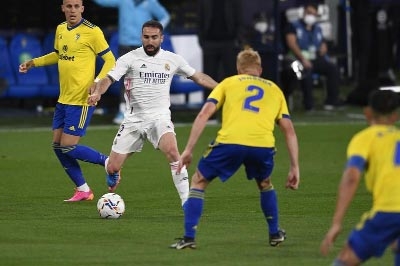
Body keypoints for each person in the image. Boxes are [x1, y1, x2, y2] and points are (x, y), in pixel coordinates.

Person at [169, 48, 300, 250]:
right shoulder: (275, 89)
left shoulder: (229, 83)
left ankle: (189, 237)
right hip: (262, 146)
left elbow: (205, 114)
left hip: (230, 142)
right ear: (260, 69)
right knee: (265, 183)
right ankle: (275, 233)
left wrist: (188, 149)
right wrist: (294, 166)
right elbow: (289, 130)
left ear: (239, 69)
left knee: (199, 181)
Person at [88, 20, 218, 207]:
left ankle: (187, 202)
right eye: (146, 37)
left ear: (161, 38)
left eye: (154, 37)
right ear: (141, 37)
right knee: (112, 166)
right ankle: (113, 171)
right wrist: (97, 93)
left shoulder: (172, 59)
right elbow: (109, 79)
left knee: (174, 152)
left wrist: (223, 88)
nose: (150, 41)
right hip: (133, 120)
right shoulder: (129, 58)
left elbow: (199, 77)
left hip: (159, 118)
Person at [19, 0, 118, 202]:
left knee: (68, 146)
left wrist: (97, 82)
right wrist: (33, 63)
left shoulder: (93, 31)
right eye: (68, 6)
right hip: (63, 98)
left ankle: (109, 162)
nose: (72, 10)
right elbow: (58, 54)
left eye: (76, 6)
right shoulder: (61, 29)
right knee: (57, 145)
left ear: (82, 8)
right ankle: (83, 190)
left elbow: (110, 60)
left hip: (82, 100)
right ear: (63, 8)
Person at [320, 89, 400, 265]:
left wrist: (336, 223)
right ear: (395, 116)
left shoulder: (365, 138)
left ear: (367, 112)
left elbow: (351, 177)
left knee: (346, 259)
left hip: (390, 211)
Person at [92, 0, 170, 125]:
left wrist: (155, 32)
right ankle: (123, 111)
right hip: (125, 46)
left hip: (144, 46)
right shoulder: (124, 1)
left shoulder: (150, 2)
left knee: (145, 79)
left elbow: (165, 16)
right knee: (126, 80)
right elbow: (103, 2)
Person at [284, 3, 342, 111]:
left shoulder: (317, 28)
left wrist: (324, 47)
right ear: (304, 13)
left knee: (332, 69)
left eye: (314, 14)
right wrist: (303, 59)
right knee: (306, 72)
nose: (311, 16)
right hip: (295, 61)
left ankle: (331, 101)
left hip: (314, 59)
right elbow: (291, 44)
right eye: (309, 13)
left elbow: (322, 43)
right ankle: (308, 104)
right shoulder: (293, 26)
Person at [197, 0, 244, 105]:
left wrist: (238, 40)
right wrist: (202, 41)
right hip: (209, 43)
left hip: (230, 43)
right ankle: (210, 114)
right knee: (208, 78)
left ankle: (233, 109)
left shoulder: (234, 2)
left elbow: (239, 19)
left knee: (232, 79)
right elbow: (200, 20)